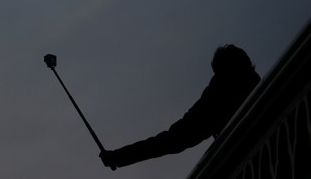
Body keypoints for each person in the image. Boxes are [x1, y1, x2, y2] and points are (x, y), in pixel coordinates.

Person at [99, 45, 260, 170]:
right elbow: (171, 140)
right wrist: (118, 157)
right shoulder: (261, 87)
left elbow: (170, 141)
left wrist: (117, 157)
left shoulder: (214, 99)